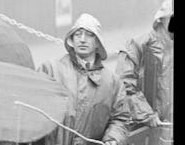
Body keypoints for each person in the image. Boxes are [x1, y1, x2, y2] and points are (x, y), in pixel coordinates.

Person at [38, 13, 129, 145]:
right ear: (71, 39)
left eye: (89, 35)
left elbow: (120, 118)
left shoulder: (112, 82)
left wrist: (113, 139)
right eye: (77, 34)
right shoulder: (50, 69)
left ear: (98, 42)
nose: (82, 39)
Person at [115, 0, 173, 129]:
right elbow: (123, 84)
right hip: (140, 127)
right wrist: (147, 114)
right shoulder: (138, 45)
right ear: (162, 19)